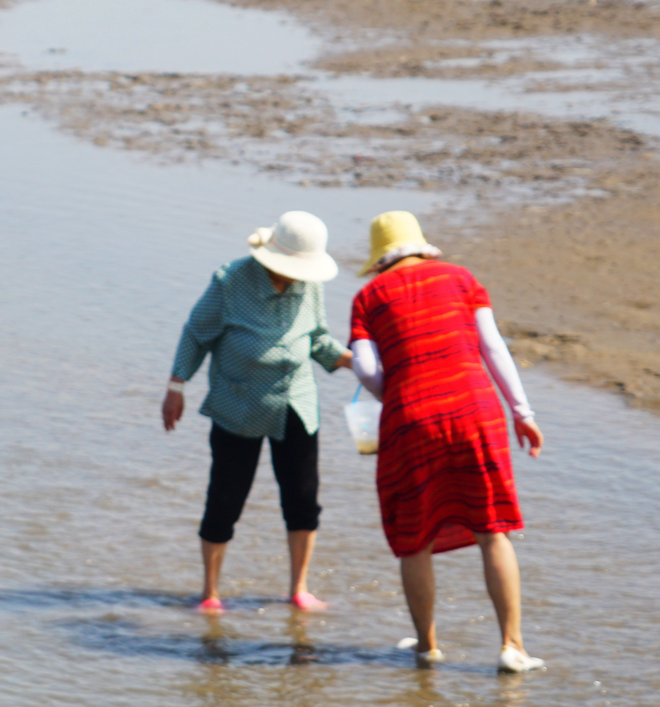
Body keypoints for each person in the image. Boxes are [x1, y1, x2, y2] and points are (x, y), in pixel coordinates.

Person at [348, 212, 545, 672]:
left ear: (380, 258)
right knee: (492, 530)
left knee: (413, 539)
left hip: (410, 416)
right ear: (422, 247)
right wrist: (523, 413)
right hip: (474, 408)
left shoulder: (368, 297)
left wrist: (395, 391)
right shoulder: (461, 278)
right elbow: (492, 345)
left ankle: (427, 646)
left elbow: (365, 369)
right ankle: (512, 647)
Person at [162, 212, 351, 614]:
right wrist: (176, 386)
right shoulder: (230, 282)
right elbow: (196, 334)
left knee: (303, 499)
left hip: (296, 403)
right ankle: (210, 593)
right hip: (237, 405)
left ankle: (298, 589)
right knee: (225, 500)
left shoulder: (310, 286)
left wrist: (356, 363)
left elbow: (317, 340)